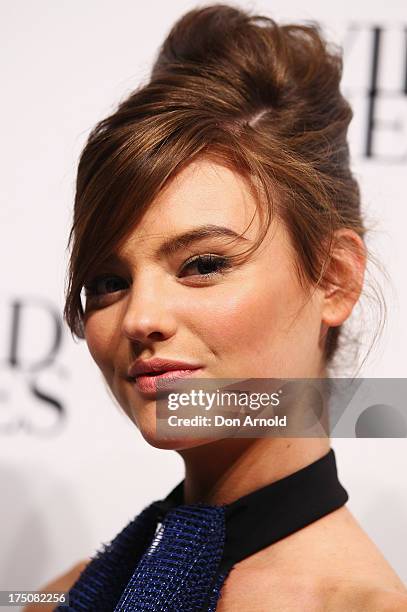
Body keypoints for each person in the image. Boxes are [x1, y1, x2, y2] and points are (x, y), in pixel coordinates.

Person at [25, 4, 407, 611]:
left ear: (333, 280)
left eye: (203, 265)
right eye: (106, 280)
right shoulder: (66, 596)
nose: (140, 317)